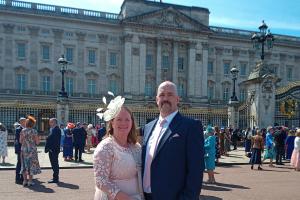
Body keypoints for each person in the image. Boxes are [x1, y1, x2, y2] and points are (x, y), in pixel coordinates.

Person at [142, 81, 204, 200]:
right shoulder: (148, 127)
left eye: (170, 94)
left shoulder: (191, 126)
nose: (165, 98)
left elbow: (196, 170)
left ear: (177, 99)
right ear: (156, 99)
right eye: (162, 95)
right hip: (146, 196)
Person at [93, 101, 143, 199]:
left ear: (132, 122)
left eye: (127, 119)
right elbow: (101, 181)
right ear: (112, 122)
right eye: (119, 119)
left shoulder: (136, 147)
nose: (123, 123)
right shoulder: (105, 147)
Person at [19, 116, 41, 186]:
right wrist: (38, 139)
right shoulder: (34, 131)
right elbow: (37, 142)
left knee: (24, 165)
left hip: (24, 149)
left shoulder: (23, 131)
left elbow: (20, 141)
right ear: (33, 124)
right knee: (32, 165)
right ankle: (30, 181)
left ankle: (25, 181)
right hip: (32, 150)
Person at [45, 118, 61, 183]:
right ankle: (55, 177)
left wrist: (47, 138)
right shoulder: (53, 129)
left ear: (54, 122)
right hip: (52, 149)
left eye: (50, 122)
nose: (49, 123)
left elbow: (54, 140)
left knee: (55, 164)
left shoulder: (56, 129)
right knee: (53, 164)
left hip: (53, 150)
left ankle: (55, 178)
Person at [14, 117, 26, 184]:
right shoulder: (18, 129)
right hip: (20, 149)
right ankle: (17, 178)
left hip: (26, 149)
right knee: (19, 163)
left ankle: (22, 177)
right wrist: (19, 150)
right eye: (24, 121)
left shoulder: (26, 128)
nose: (25, 122)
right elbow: (18, 140)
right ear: (21, 122)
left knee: (24, 164)